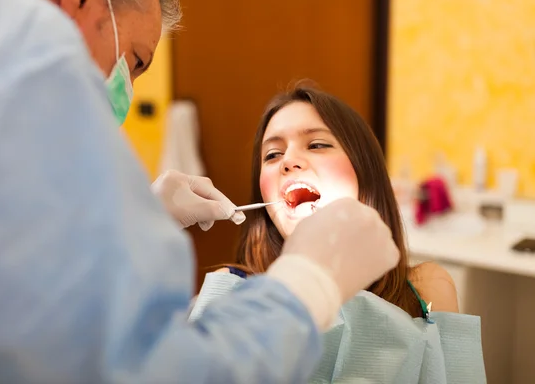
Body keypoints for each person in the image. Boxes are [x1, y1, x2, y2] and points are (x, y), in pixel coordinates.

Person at [0, 0, 402, 383]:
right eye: (135, 61)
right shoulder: (16, 60)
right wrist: (309, 285)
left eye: (317, 145)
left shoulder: (424, 294)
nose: (289, 163)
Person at [190, 85, 486, 383]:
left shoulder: (428, 289)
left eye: (317, 144)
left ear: (365, 170)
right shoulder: (228, 296)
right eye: (272, 154)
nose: (288, 161)